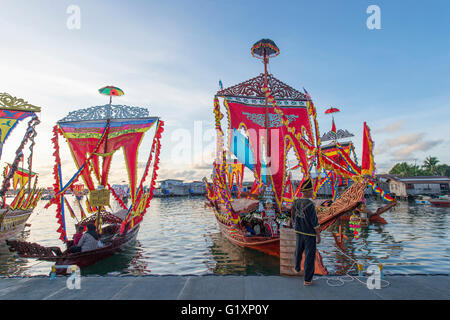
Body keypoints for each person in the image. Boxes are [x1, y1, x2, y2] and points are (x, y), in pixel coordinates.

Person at [291, 177, 321, 286]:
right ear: (307, 191)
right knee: (309, 256)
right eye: (311, 190)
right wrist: (318, 235)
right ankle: (308, 280)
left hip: (299, 231)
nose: (312, 192)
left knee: (298, 251)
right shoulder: (310, 205)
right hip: (309, 234)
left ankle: (297, 268)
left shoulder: (296, 202)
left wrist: (296, 225)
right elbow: (315, 222)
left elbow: (293, 216)